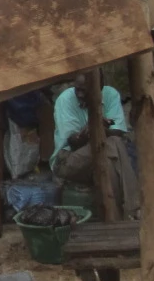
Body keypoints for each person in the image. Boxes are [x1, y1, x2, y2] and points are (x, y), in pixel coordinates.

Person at [50, 73, 142, 220]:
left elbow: (118, 132)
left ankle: (116, 218)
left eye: (84, 90)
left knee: (111, 154)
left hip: (100, 154)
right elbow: (73, 143)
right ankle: (133, 209)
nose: (79, 94)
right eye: (77, 89)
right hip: (67, 161)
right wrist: (95, 128)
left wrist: (98, 128)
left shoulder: (110, 95)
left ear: (99, 89)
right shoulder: (65, 100)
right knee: (113, 145)